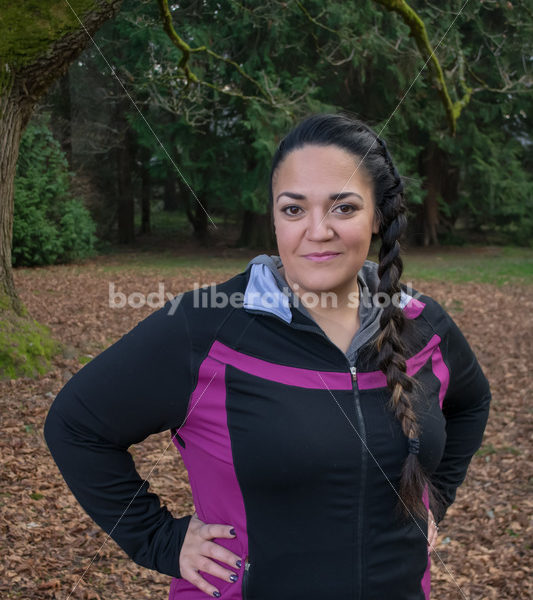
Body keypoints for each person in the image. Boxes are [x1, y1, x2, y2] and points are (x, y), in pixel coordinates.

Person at [44, 113, 491, 600]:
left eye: (343, 208)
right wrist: (159, 540)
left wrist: (435, 499)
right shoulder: (204, 328)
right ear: (274, 217)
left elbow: (471, 402)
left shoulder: (422, 324)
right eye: (294, 210)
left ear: (378, 216)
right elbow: (75, 427)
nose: (317, 231)